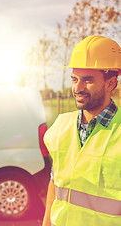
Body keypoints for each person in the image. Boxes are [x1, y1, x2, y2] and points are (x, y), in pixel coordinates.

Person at [42, 35, 121, 226]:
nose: (78, 87)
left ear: (111, 83)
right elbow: (54, 184)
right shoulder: (60, 127)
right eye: (74, 79)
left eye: (87, 80)